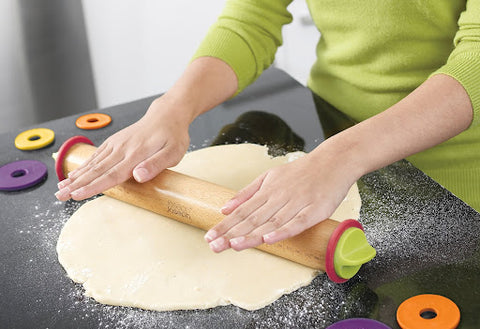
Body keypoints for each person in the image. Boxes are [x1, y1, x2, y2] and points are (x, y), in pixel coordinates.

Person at [55, 0, 479, 254]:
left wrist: (338, 158)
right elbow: (251, 19)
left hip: (454, 172)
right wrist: (172, 108)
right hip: (329, 129)